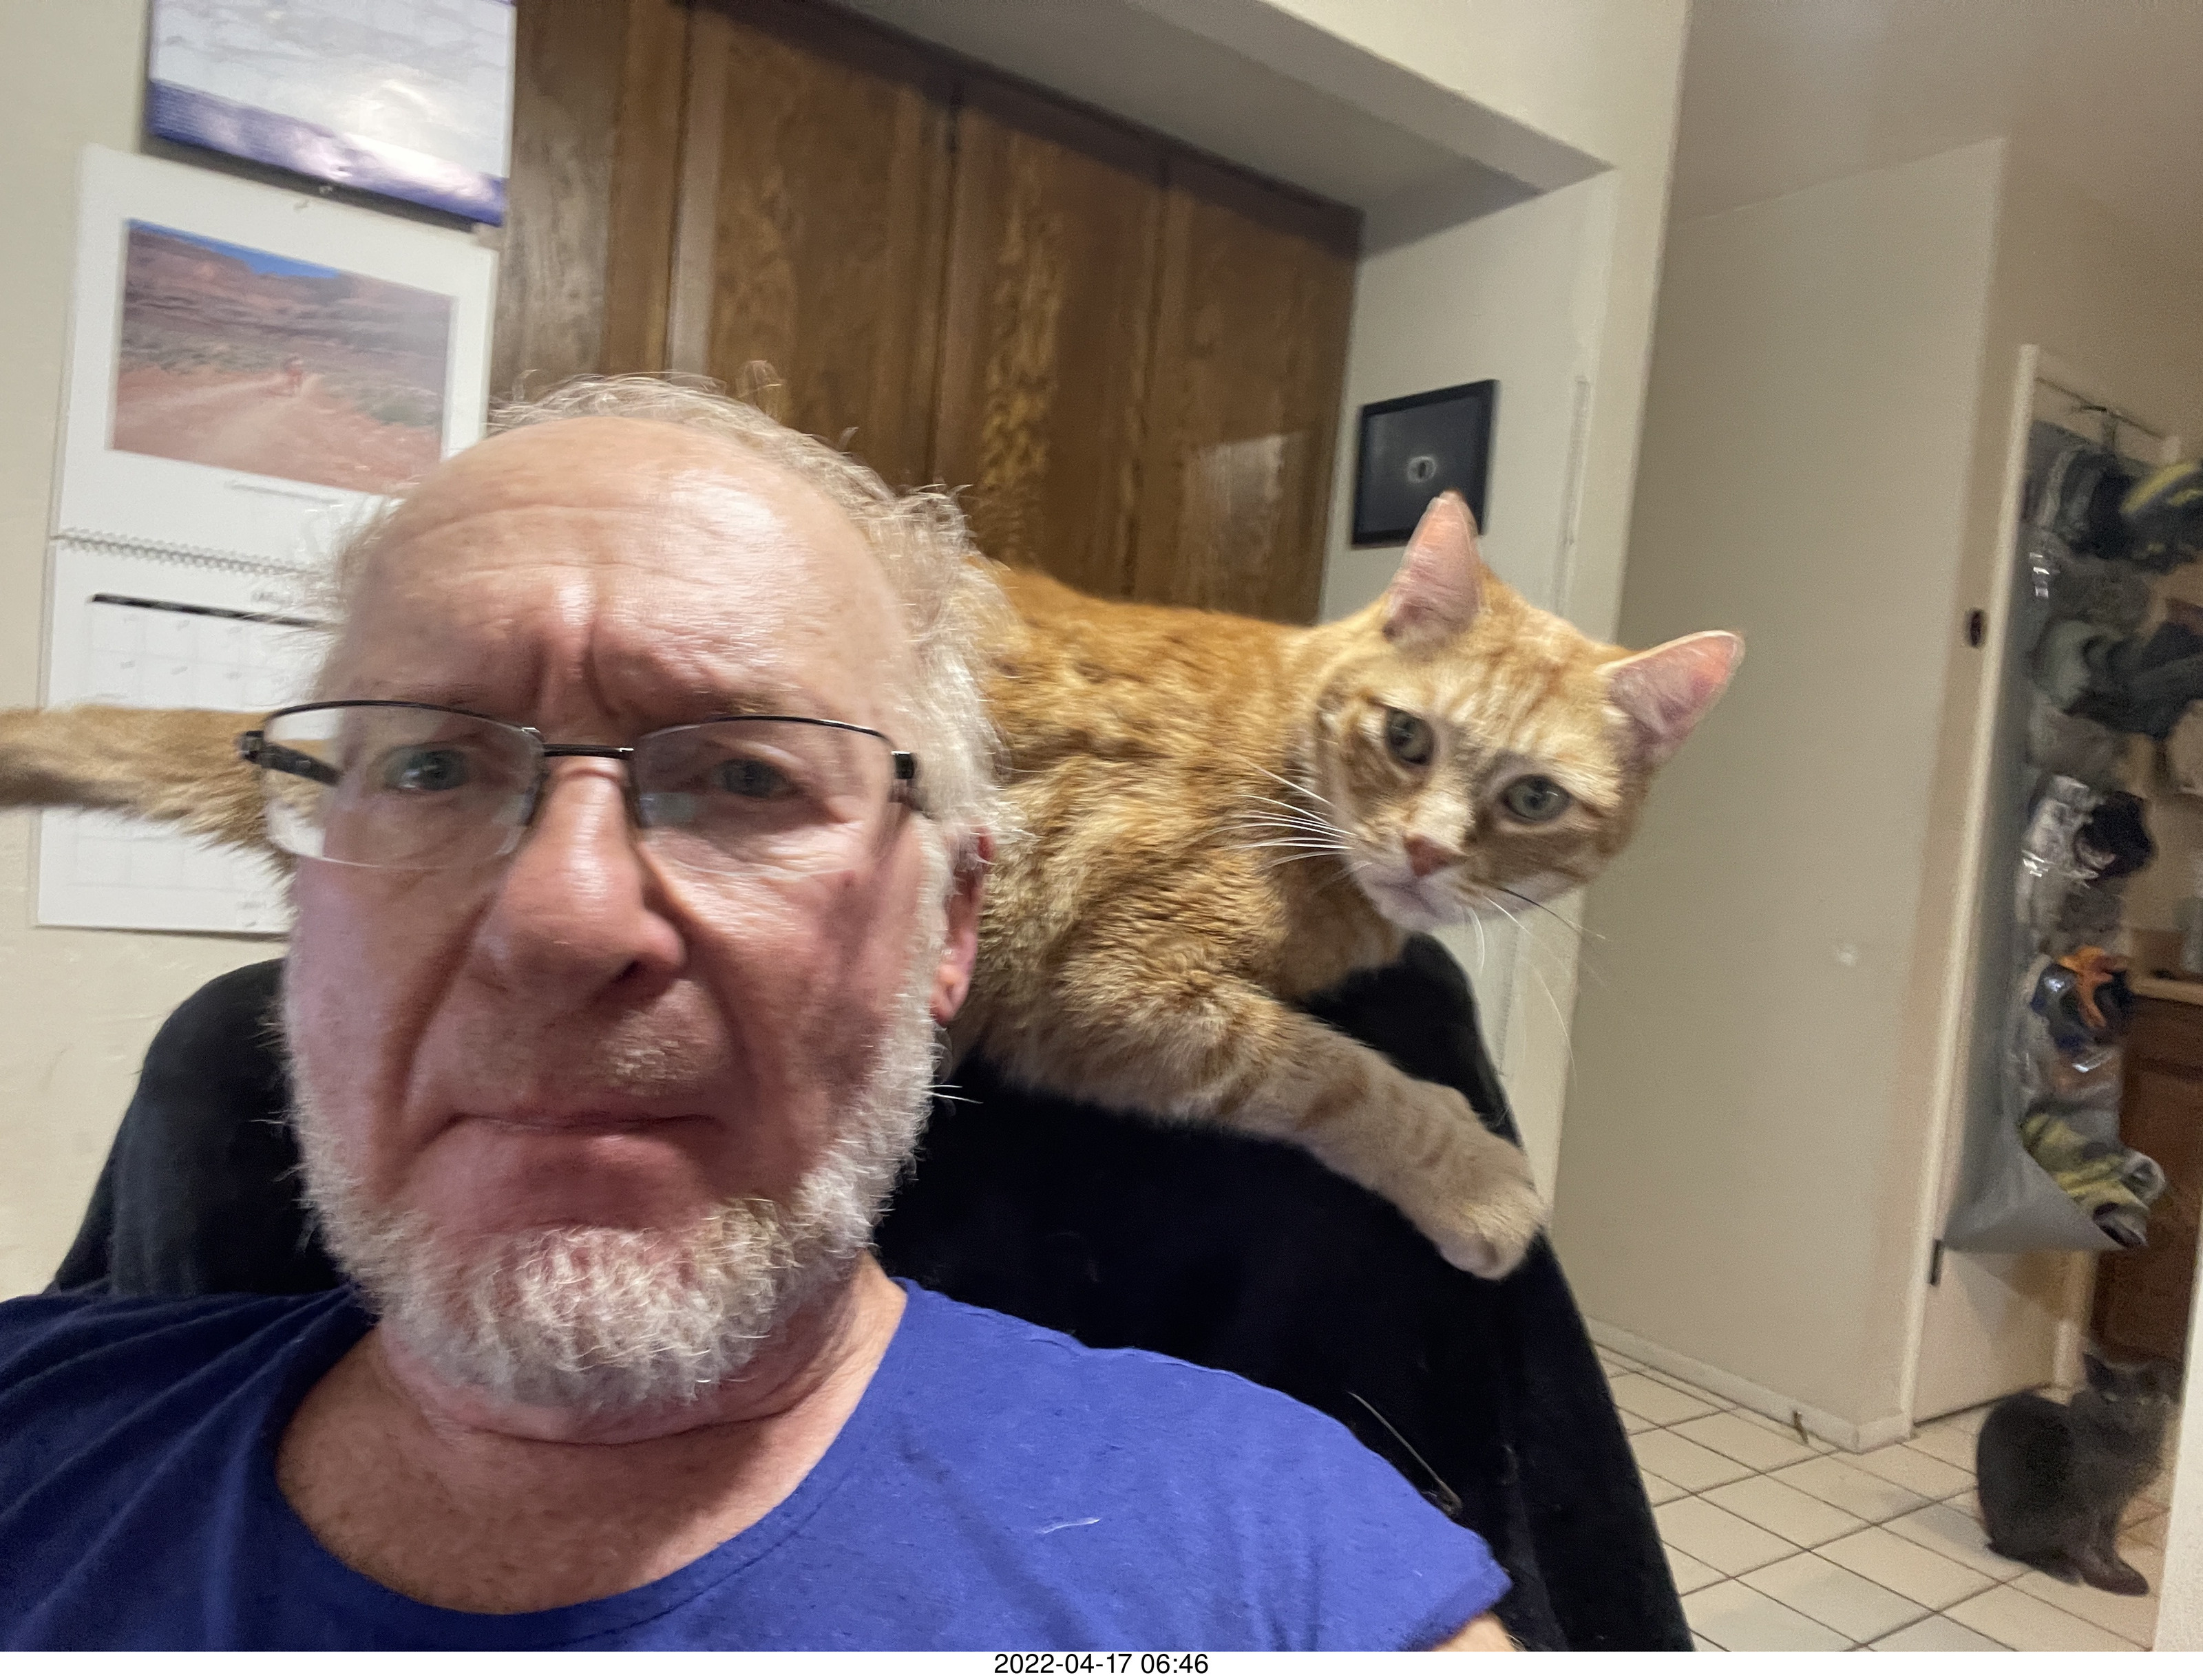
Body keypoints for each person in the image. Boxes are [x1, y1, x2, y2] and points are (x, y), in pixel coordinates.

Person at [0, 377, 1511, 1651]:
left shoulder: (1264, 1562)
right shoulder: (44, 1415)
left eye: (742, 774)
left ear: (953, 924)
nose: (560, 920)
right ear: (300, 888)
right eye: (430, 768)